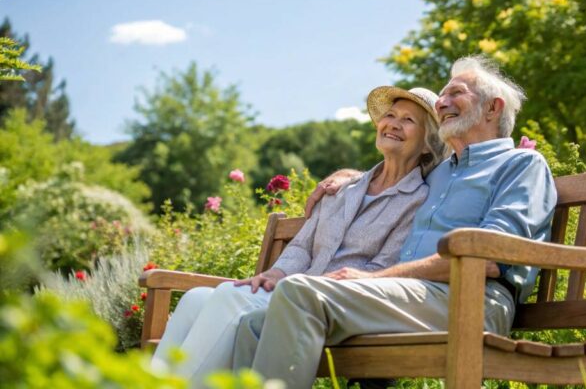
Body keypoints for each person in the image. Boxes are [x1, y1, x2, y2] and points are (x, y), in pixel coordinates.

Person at [233, 55, 558, 388]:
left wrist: (376, 278)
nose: (441, 103)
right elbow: (393, 172)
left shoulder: (522, 165)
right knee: (252, 324)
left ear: (493, 109)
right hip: (407, 296)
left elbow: (492, 255)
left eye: (455, 93)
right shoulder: (441, 172)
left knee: (301, 292)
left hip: (473, 301)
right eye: (441, 96)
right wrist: (350, 177)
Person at [150, 86, 447, 386]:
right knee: (196, 298)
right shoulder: (343, 188)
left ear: (427, 144)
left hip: (331, 301)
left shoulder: (417, 201)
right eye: (390, 115)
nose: (393, 123)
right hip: (292, 288)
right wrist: (277, 271)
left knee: (228, 298)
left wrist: (305, 283)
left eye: (409, 120)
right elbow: (303, 246)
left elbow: (381, 269)